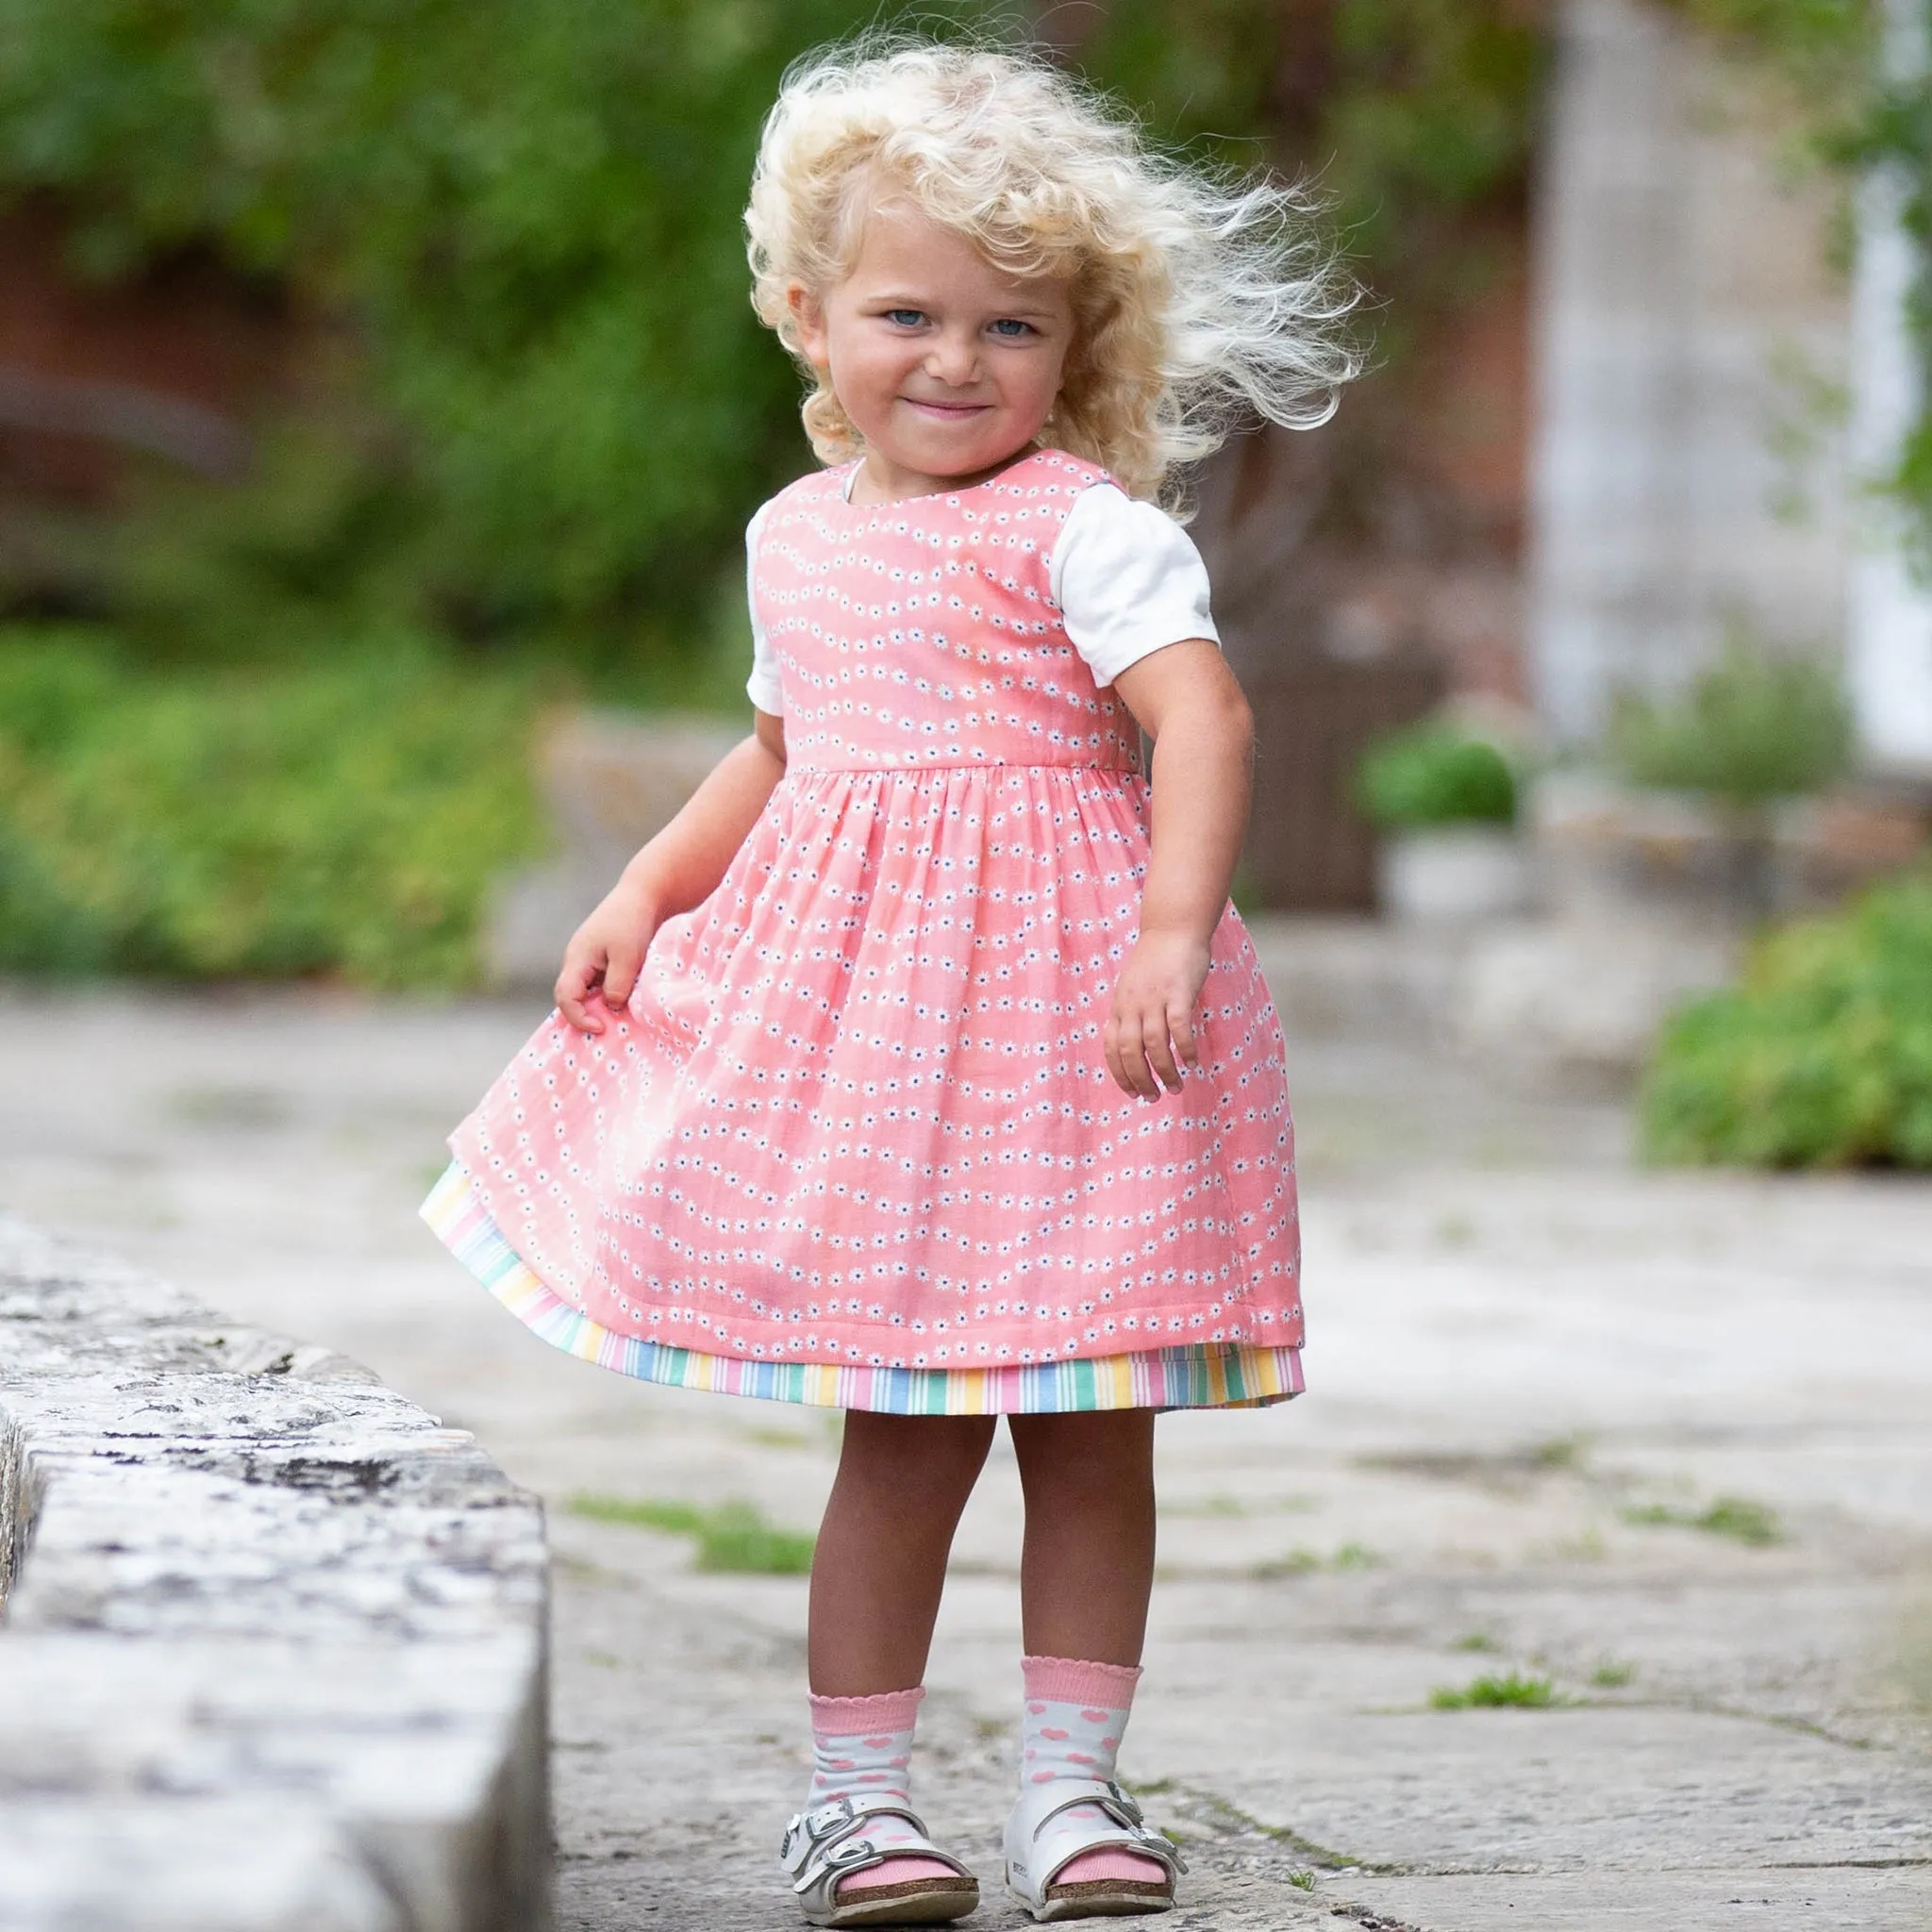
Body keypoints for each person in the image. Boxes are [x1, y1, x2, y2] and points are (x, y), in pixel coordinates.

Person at [425, 36, 1355, 1927]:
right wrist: (648, 886)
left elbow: (1201, 718)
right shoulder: (796, 539)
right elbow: (781, 747)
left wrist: (1172, 928)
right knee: (905, 1420)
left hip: (1081, 1031)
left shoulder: (1087, 528)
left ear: (1072, 344)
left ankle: (1070, 1792)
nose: (952, 360)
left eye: (1008, 328)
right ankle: (855, 1799)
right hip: (879, 1047)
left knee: (1089, 1418)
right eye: (905, 313)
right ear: (805, 313)